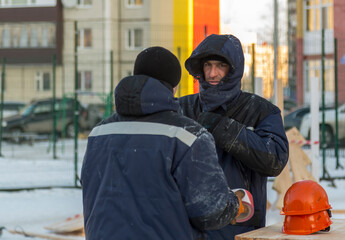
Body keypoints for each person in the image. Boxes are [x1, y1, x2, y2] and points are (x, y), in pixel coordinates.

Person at [81, 46, 247, 240]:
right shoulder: (188, 136)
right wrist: (234, 204)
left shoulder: (99, 133)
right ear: (174, 86)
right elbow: (210, 212)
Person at [179, 34, 289, 239]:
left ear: (234, 69)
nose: (212, 73)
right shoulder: (182, 108)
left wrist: (224, 129)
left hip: (239, 226)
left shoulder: (260, 110)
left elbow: (274, 160)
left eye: (221, 65)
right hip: (190, 226)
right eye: (208, 65)